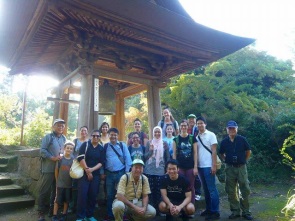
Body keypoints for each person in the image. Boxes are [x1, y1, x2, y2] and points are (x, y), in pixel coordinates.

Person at [219, 120, 253, 220]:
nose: (231, 130)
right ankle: (235, 211)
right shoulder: (224, 141)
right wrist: (226, 160)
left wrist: (243, 160)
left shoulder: (242, 139)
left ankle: (246, 212)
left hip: (241, 167)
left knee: (244, 189)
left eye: (233, 128)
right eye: (230, 128)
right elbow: (221, 154)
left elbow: (248, 151)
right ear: (227, 129)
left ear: (236, 129)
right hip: (229, 168)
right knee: (231, 190)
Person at [38, 119, 67, 221]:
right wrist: (52, 157)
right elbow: (42, 150)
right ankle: (40, 212)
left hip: (59, 169)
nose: (61, 127)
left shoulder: (64, 138)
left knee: (56, 191)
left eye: (62, 126)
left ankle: (52, 210)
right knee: (44, 190)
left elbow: (65, 151)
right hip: (48, 168)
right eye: (58, 125)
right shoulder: (48, 137)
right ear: (53, 126)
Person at [103, 127, 132, 221]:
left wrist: (127, 172)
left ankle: (122, 214)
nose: (113, 136)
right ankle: (109, 214)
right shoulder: (106, 146)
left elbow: (128, 158)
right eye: (111, 135)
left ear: (117, 136)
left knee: (122, 194)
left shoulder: (122, 145)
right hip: (109, 174)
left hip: (121, 172)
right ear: (108, 135)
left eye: (115, 135)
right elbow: (102, 160)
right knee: (110, 194)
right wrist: (102, 173)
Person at [76, 129, 105, 221]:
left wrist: (92, 170)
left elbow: (101, 162)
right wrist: (87, 170)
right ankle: (80, 216)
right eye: (94, 135)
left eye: (97, 136)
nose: (95, 137)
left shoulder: (101, 148)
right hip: (84, 174)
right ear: (91, 136)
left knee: (93, 195)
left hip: (95, 175)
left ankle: (89, 215)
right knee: (82, 195)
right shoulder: (85, 144)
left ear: (99, 137)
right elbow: (80, 157)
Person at [196, 116, 220, 220]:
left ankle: (215, 212)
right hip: (201, 167)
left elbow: (214, 151)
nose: (200, 125)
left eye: (201, 123)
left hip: (209, 166)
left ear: (205, 124)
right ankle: (209, 209)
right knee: (205, 190)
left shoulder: (211, 135)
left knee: (212, 189)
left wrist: (213, 165)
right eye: (198, 123)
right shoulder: (197, 137)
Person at [144, 126, 170, 211]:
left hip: (160, 170)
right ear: (153, 133)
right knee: (150, 191)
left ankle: (159, 209)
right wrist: (151, 151)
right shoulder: (149, 143)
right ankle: (151, 209)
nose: (157, 133)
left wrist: (167, 169)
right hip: (149, 170)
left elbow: (167, 158)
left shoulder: (164, 143)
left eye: (159, 132)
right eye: (155, 132)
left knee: (159, 191)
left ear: (161, 133)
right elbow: (145, 157)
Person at [173, 120, 198, 205]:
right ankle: (181, 206)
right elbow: (174, 155)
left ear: (187, 127)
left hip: (190, 166)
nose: (183, 127)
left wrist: (195, 167)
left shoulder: (192, 138)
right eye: (182, 126)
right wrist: (175, 168)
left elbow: (195, 153)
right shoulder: (176, 139)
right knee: (180, 186)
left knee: (190, 186)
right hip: (180, 167)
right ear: (179, 127)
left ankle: (191, 206)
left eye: (185, 126)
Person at [52, 141, 75, 221]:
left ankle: (64, 214)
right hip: (60, 183)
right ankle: (54, 215)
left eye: (71, 149)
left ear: (73, 150)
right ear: (64, 148)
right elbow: (56, 170)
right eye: (67, 148)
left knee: (66, 200)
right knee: (57, 200)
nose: (69, 150)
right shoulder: (60, 159)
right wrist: (57, 180)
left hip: (68, 184)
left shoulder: (73, 160)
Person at [70, 126, 89, 213]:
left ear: (87, 132)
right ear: (79, 132)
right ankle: (72, 205)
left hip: (86, 166)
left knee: (83, 187)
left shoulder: (89, 142)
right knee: (74, 186)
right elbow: (71, 152)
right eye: (82, 131)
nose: (83, 132)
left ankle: (81, 206)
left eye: (85, 131)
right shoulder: (75, 141)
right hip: (76, 166)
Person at [187, 114, 202, 200]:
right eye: (190, 119)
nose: (191, 121)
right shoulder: (186, 128)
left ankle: (198, 192)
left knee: (196, 174)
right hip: (188, 154)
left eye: (193, 119)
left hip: (196, 153)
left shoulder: (197, 129)